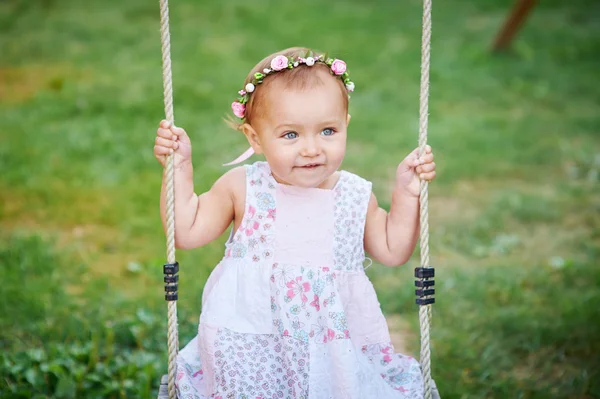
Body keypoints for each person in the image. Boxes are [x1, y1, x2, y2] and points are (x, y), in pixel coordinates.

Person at [153, 47, 436, 399]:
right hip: (249, 349)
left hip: (331, 353)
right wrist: (179, 168)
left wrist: (407, 193)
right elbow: (188, 230)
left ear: (346, 124)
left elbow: (393, 250)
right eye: (291, 135)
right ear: (254, 138)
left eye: (328, 131)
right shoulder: (243, 188)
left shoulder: (354, 195)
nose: (312, 149)